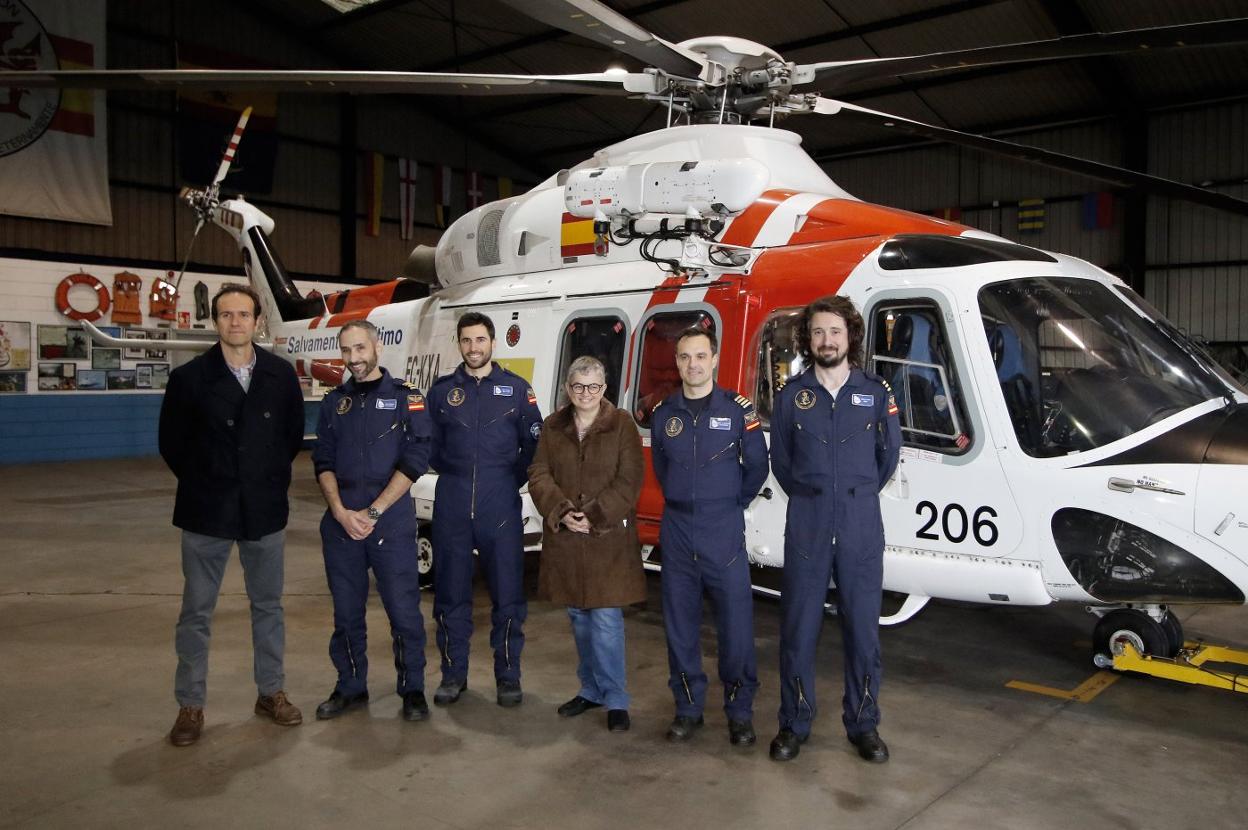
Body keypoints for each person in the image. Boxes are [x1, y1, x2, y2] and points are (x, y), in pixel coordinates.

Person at [158, 283, 305, 747]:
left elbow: (290, 439)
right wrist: (210, 479)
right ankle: (191, 704)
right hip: (207, 511)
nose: (235, 322)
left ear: (258, 321)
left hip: (263, 510)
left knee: (268, 606)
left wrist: (262, 481)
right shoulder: (189, 379)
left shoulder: (281, 377)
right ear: (215, 321)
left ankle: (270, 692)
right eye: (226, 315)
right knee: (197, 611)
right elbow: (172, 445)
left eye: (244, 314)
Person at [767, 295, 902, 764]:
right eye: (819, 332)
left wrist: (854, 493)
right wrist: (815, 494)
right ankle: (794, 722)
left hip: (860, 523)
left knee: (863, 631)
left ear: (850, 338)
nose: (827, 340)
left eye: (836, 332)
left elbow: (888, 457)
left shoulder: (875, 392)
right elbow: (781, 461)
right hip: (807, 521)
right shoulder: (791, 397)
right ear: (809, 340)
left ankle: (864, 724)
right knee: (798, 630)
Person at [650, 326, 769, 746]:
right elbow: (662, 468)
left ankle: (739, 711)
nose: (692, 365)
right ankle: (687, 708)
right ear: (677, 362)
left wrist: (728, 503)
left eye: (700, 356)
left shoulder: (738, 410)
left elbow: (757, 466)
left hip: (723, 528)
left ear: (714, 359)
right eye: (684, 357)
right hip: (678, 529)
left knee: (736, 626)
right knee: (679, 625)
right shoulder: (665, 414)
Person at [311, 320, 433, 724]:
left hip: (391, 524)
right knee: (346, 613)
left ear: (377, 347)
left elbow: (415, 460)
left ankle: (412, 688)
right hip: (342, 526)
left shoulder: (406, 398)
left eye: (360, 349)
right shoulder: (333, 403)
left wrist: (375, 511)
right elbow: (322, 461)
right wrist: (341, 512)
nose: (353, 359)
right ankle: (350, 686)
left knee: (403, 611)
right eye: (346, 351)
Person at [427, 312, 543, 707]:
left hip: (501, 504)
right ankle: (452, 674)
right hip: (453, 501)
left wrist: (504, 480)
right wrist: (460, 476)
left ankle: (508, 675)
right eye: (466, 341)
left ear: (493, 342)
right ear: (458, 344)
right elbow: (431, 448)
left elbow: (533, 445)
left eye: (480, 340)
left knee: (509, 595)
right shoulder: (442, 392)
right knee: (450, 594)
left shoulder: (516, 390)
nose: (473, 348)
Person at [527, 356, 645, 732]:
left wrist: (592, 515)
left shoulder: (622, 425)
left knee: (606, 620)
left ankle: (616, 699)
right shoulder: (552, 426)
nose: (586, 394)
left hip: (607, 541)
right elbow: (538, 473)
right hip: (566, 541)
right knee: (579, 618)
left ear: (604, 389)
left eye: (593, 387)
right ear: (567, 388)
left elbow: (630, 480)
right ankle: (591, 690)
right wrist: (561, 511)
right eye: (578, 386)